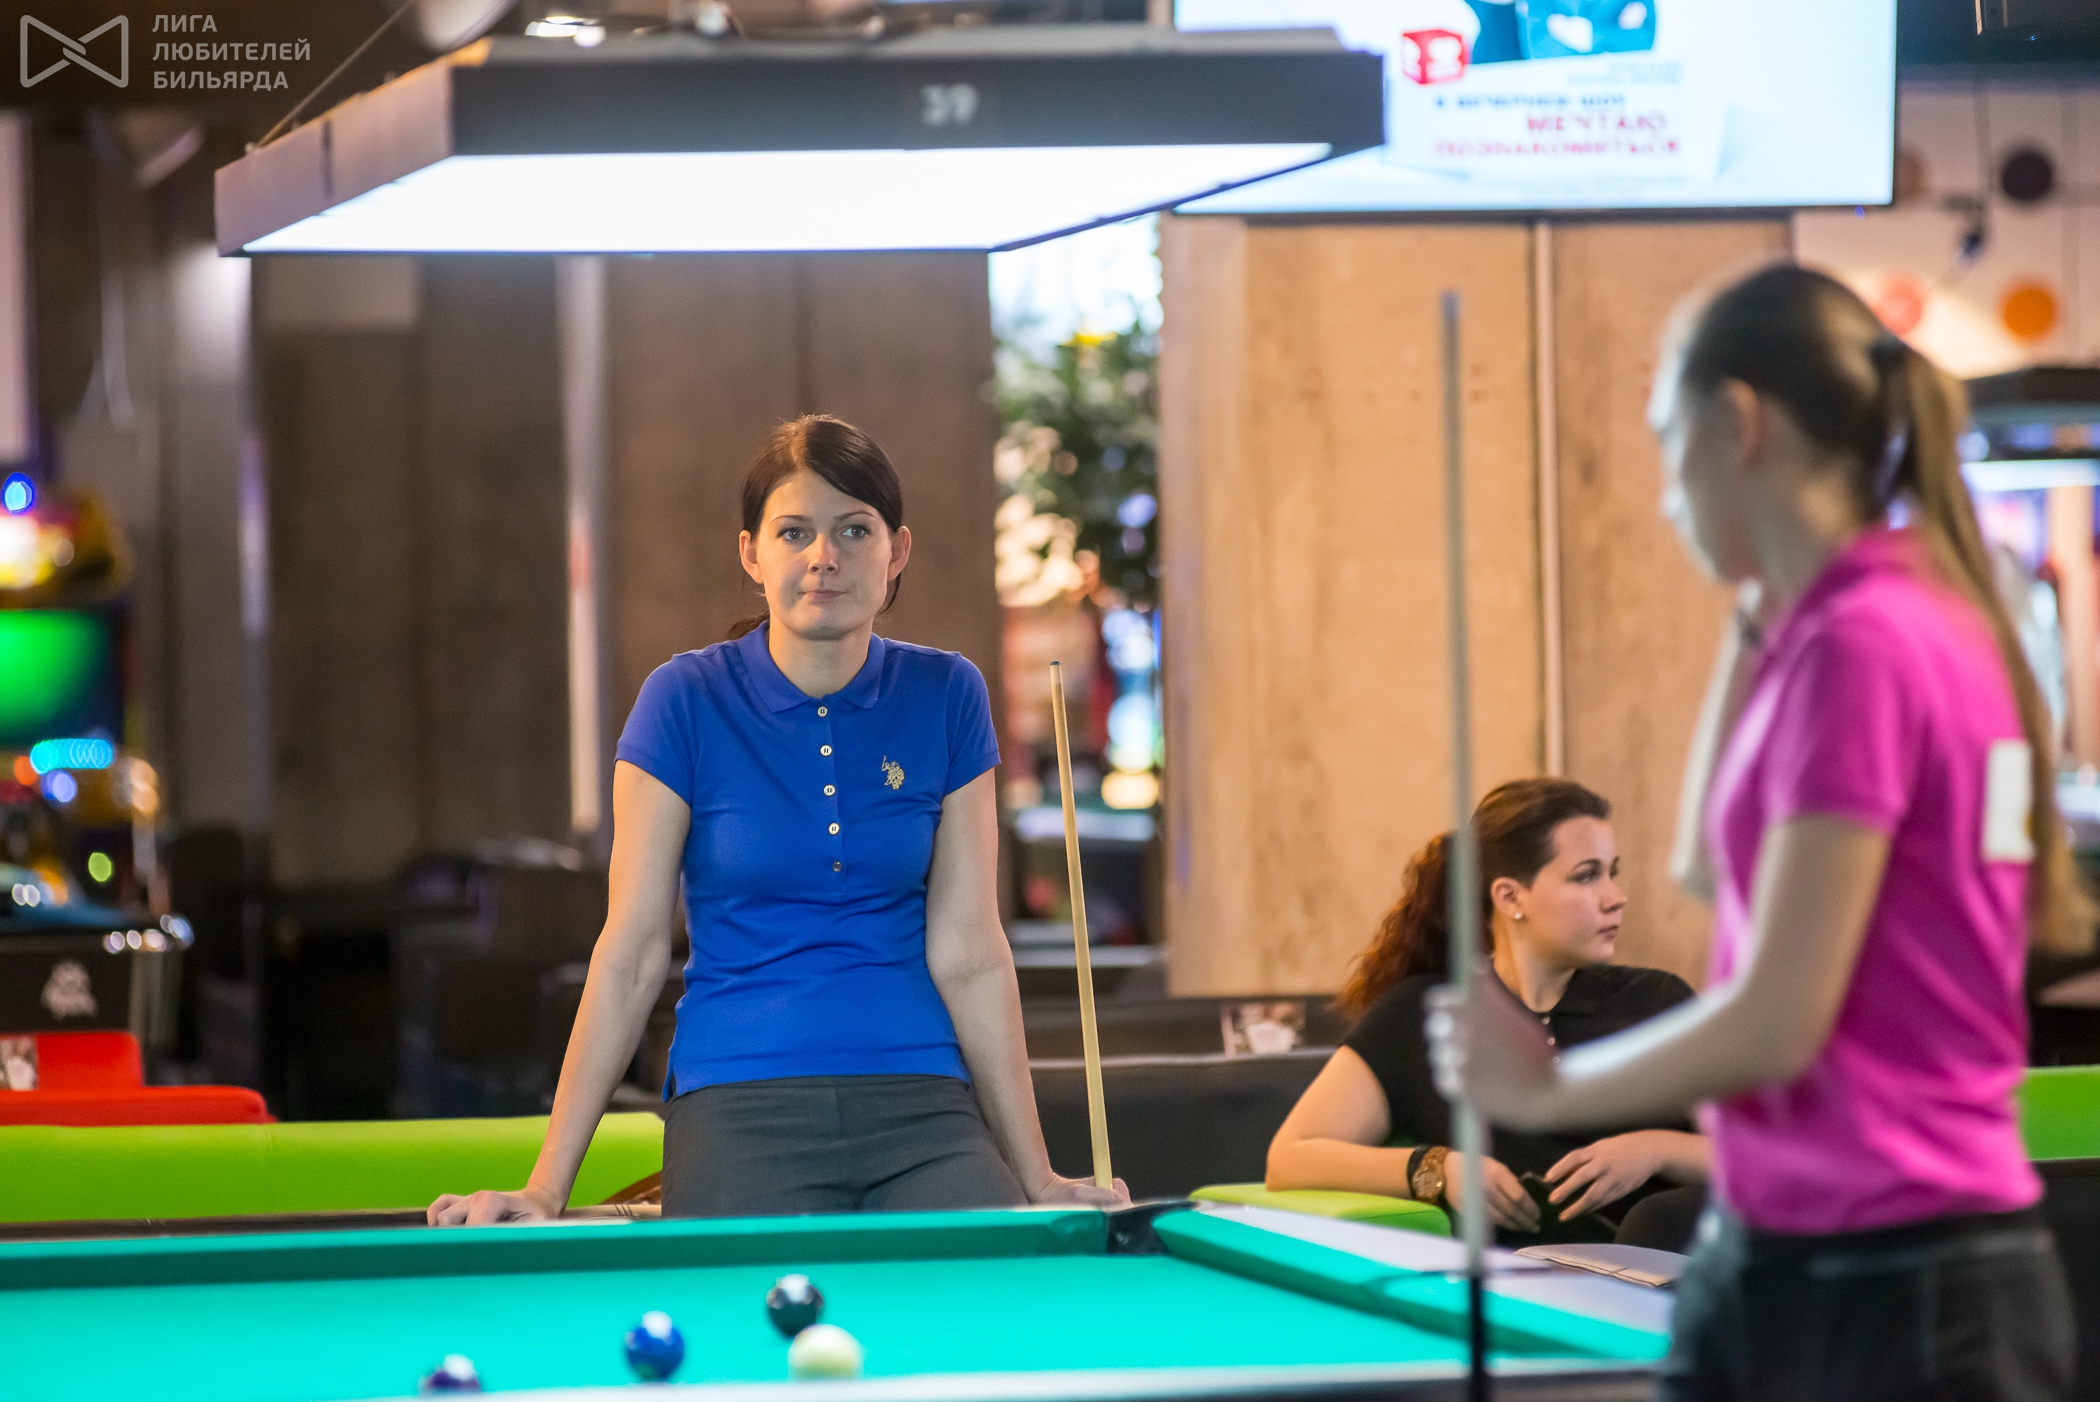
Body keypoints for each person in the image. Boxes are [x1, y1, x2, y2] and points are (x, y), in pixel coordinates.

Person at [1429, 265, 2086, 1401]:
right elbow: (1700, 865)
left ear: (1737, 421)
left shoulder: (1868, 641)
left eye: (1666, 439)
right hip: (1801, 1245)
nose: (1664, 496)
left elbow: (1780, 1020)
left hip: (1891, 1272)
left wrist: (1543, 1090)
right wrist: (1758, 606)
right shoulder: (1853, 619)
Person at [431, 415, 1126, 1223]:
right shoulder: (683, 700)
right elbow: (630, 955)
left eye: (854, 530)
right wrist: (546, 1187)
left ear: (896, 551)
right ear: (751, 554)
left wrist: (1038, 1176)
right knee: (747, 1298)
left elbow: (971, 953)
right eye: (794, 532)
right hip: (738, 1099)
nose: (823, 556)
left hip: (924, 1101)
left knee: (987, 1281)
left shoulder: (948, 694)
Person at [1268, 778, 1709, 1251]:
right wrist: (1441, 1169)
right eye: (1586, 876)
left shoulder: (1658, 1003)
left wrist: (1655, 1150)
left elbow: (1762, 1157)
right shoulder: (1424, 1016)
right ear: (1510, 898)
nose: (1615, 896)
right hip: (1500, 1284)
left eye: (1611, 873)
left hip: (1656, 1282)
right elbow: (1290, 1157)